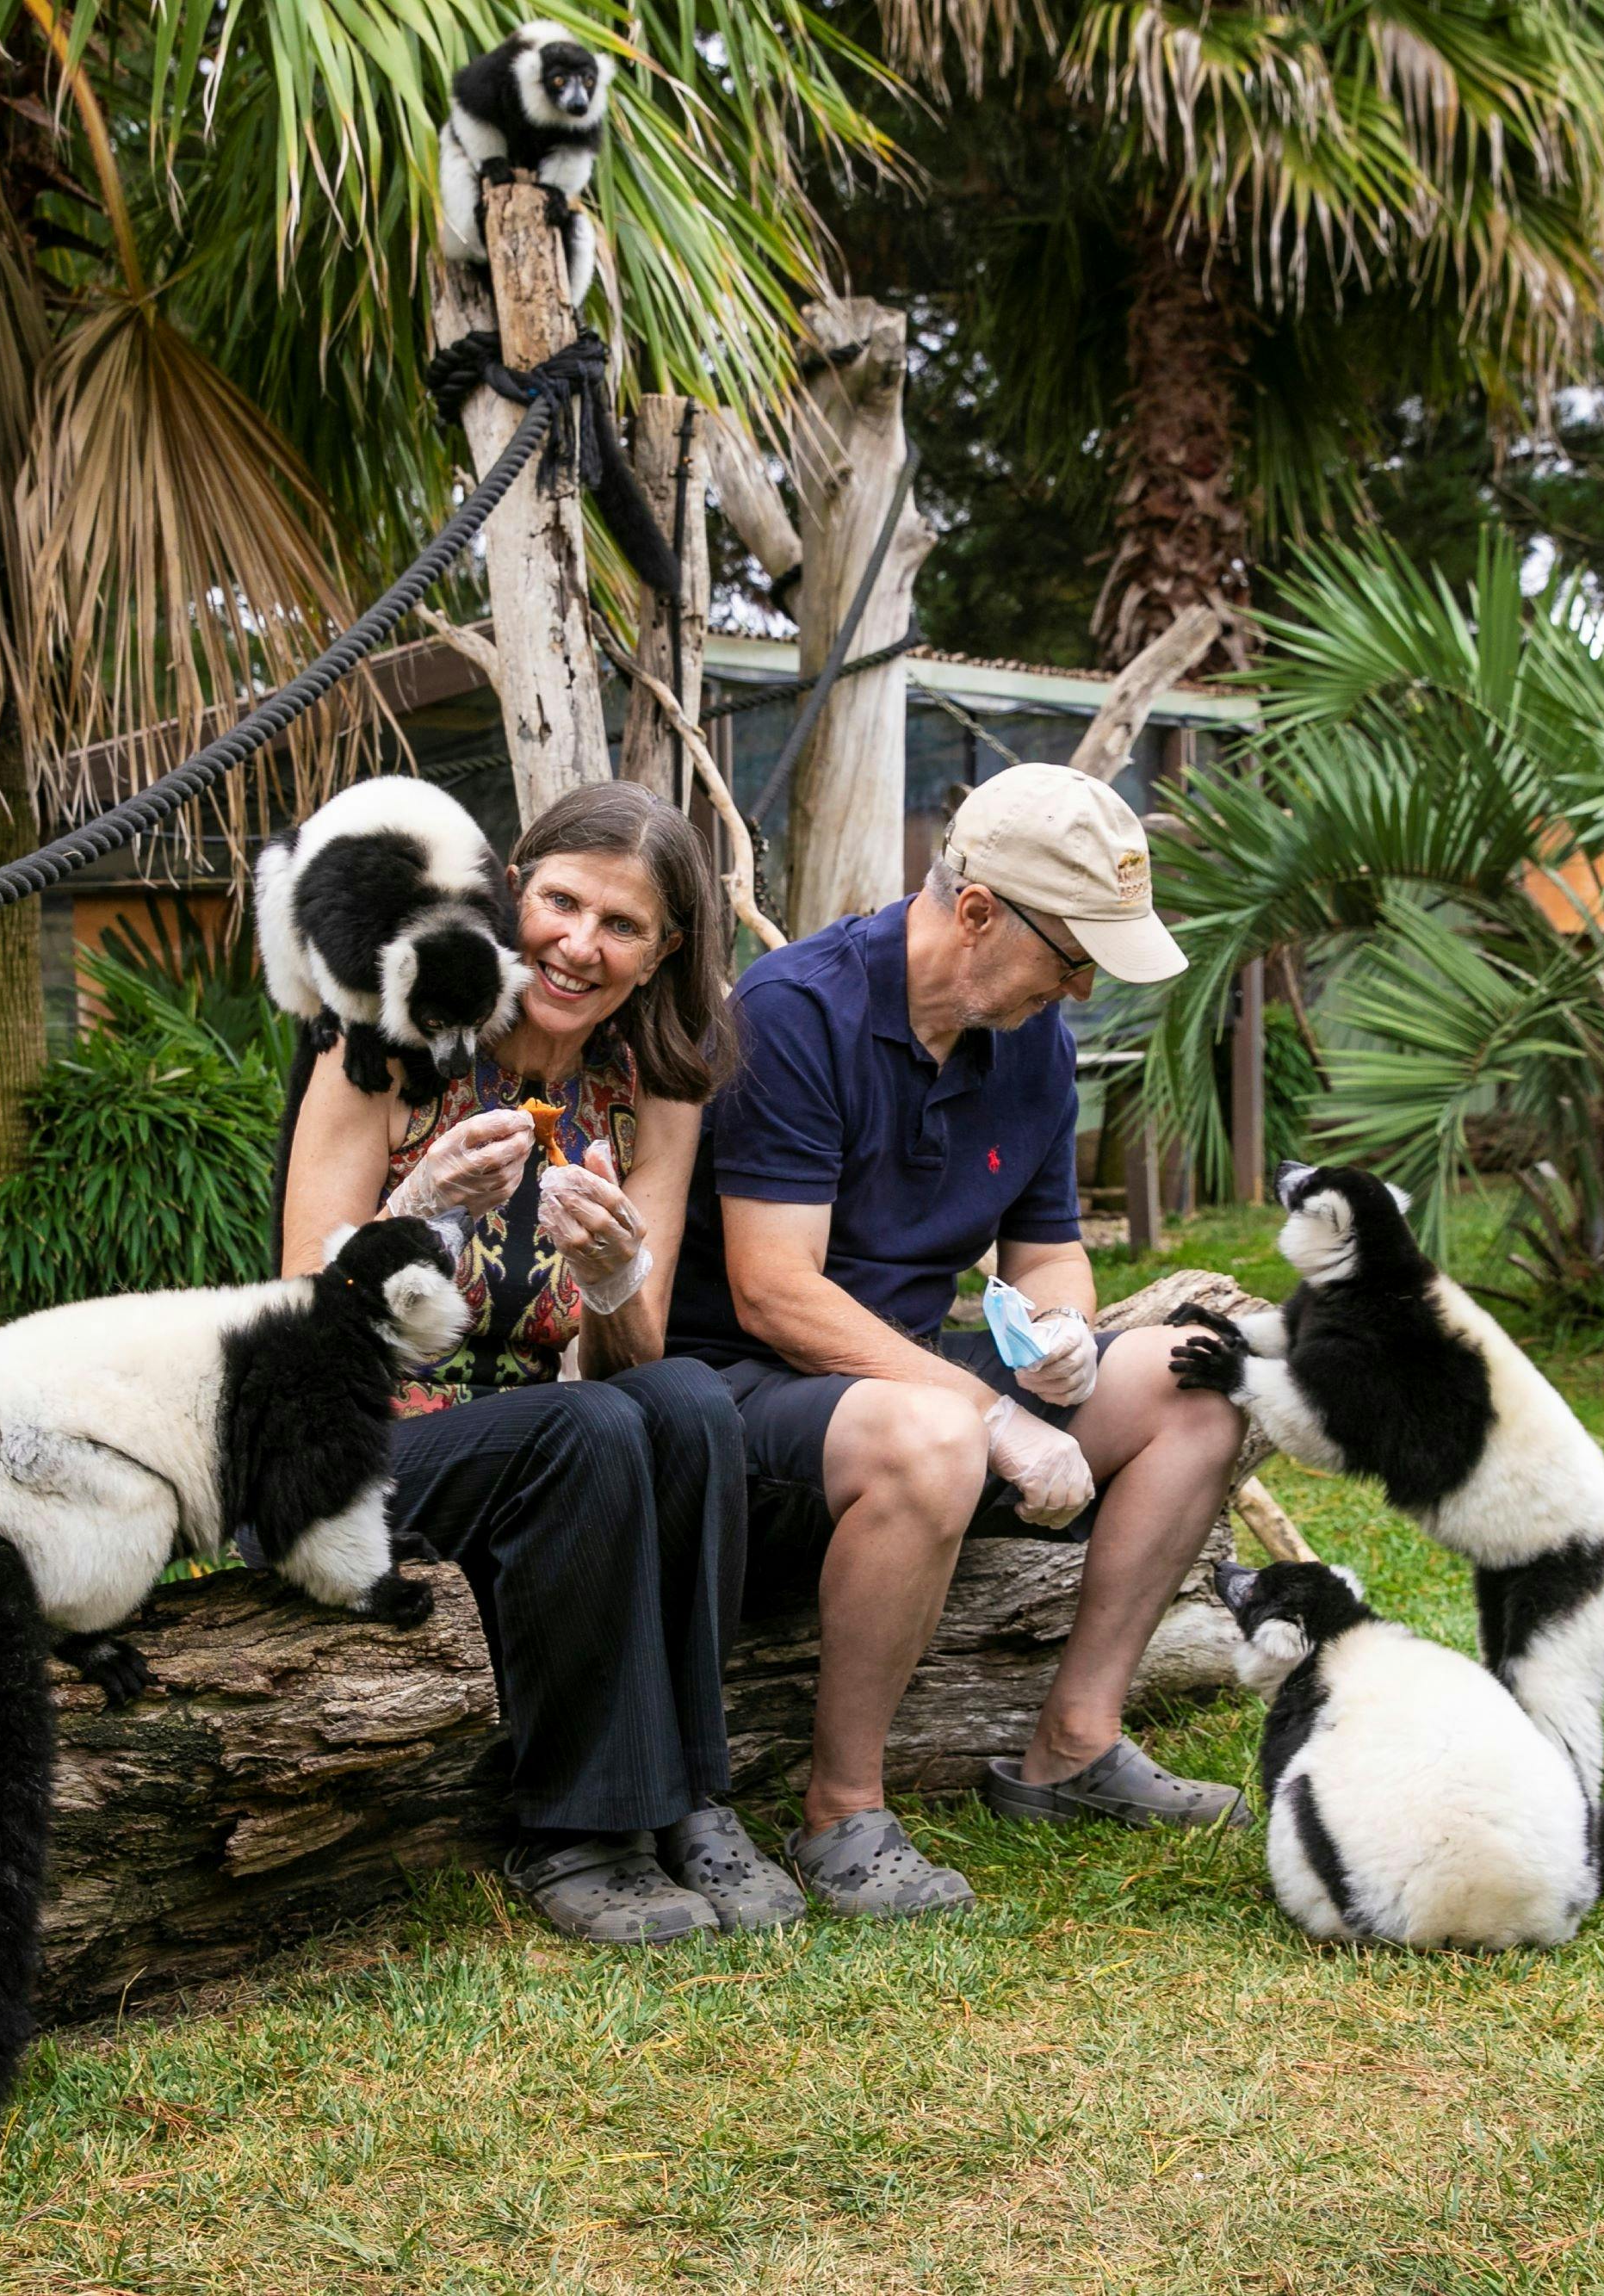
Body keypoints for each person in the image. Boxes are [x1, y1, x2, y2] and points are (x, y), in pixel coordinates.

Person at [668, 764, 1251, 1919]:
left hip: (912, 1374)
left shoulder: (1030, 1041)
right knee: (937, 1434)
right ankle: (844, 1815)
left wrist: (1066, 1337)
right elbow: (774, 1292)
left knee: (1203, 1378)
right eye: (1073, 952)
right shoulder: (795, 1014)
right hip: (744, 1394)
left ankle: (1073, 1748)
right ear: (977, 911)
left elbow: (1048, 1254)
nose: (1083, 984)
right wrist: (988, 1415)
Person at [280, 780, 797, 1944]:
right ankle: (577, 1826)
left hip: (535, 1441)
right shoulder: (387, 1037)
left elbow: (632, 1355)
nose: (580, 944)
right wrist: (412, 1206)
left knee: (688, 1401)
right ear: (513, 894)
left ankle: (697, 1802)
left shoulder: (647, 1086)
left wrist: (613, 1278)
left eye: (623, 927)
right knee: (585, 1428)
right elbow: (308, 1323)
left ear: (664, 954)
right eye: (561, 903)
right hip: (352, 1445)